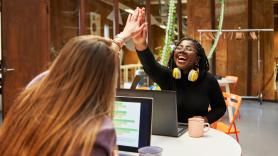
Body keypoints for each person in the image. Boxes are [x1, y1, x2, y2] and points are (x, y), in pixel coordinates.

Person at [0, 7, 145, 156]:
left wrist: (121, 38)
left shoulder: (35, 89)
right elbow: (93, 66)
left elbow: (88, 65)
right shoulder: (96, 134)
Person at [129, 8, 226, 124]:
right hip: (170, 132)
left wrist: (205, 119)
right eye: (179, 48)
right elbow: (150, 65)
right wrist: (140, 43)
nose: (182, 51)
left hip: (195, 133)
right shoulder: (168, 76)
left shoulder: (208, 80)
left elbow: (220, 107)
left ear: (197, 59)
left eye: (188, 49)